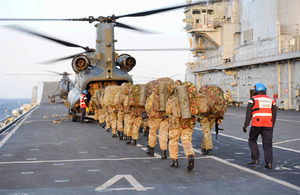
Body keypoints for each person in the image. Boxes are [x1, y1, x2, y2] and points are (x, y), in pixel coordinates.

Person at [243, 83, 277, 169]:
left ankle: (255, 158)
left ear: (256, 90)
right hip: (268, 125)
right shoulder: (271, 100)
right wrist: (272, 125)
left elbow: (248, 114)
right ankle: (269, 163)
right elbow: (274, 114)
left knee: (252, 140)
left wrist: (245, 125)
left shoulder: (253, 100)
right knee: (268, 144)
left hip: (257, 124)